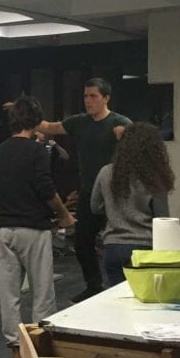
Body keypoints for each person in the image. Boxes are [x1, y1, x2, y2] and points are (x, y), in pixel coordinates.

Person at [0, 96, 75, 358]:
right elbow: (46, 189)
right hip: (34, 229)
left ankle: (16, 352)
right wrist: (64, 214)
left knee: (9, 294)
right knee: (42, 292)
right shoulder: (36, 152)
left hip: (4, 230)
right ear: (36, 122)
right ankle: (38, 349)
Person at [35, 78, 132, 301]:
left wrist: (123, 137)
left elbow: (137, 150)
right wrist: (24, 113)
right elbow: (49, 127)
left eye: (93, 96)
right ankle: (94, 285)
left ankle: (124, 287)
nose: (88, 101)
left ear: (106, 98)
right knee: (82, 241)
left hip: (116, 193)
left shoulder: (120, 122)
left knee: (120, 242)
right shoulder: (79, 122)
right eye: (86, 96)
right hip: (89, 191)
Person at [91, 123, 175, 287]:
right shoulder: (154, 177)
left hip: (113, 246)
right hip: (145, 247)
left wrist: (114, 209)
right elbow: (162, 218)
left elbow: (95, 207)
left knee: (116, 298)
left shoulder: (106, 172)